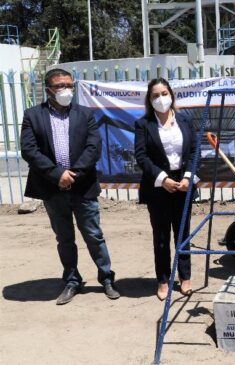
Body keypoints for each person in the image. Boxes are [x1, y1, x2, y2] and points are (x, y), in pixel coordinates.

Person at [20, 68, 120, 305]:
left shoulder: (85, 114)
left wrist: (72, 174)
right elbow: (29, 150)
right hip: (53, 188)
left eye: (69, 85)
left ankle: (106, 278)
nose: (66, 90)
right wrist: (57, 175)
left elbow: (93, 147)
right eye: (60, 86)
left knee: (94, 235)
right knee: (64, 238)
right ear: (48, 90)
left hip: (82, 186)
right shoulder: (33, 115)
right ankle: (72, 280)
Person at [134, 78, 198, 300]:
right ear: (149, 100)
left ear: (171, 94)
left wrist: (188, 177)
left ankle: (186, 277)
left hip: (183, 184)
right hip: (158, 186)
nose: (160, 98)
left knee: (183, 233)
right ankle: (163, 280)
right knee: (161, 236)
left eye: (163, 93)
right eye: (155, 95)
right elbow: (141, 156)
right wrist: (163, 179)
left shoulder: (185, 120)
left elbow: (194, 151)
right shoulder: (143, 124)